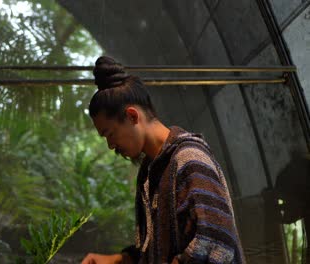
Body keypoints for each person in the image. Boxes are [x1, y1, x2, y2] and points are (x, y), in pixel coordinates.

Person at [81, 56, 245, 264]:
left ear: (132, 116)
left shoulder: (189, 160)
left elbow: (217, 243)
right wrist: (119, 260)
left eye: (109, 134)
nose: (110, 145)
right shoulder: (150, 172)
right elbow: (154, 250)